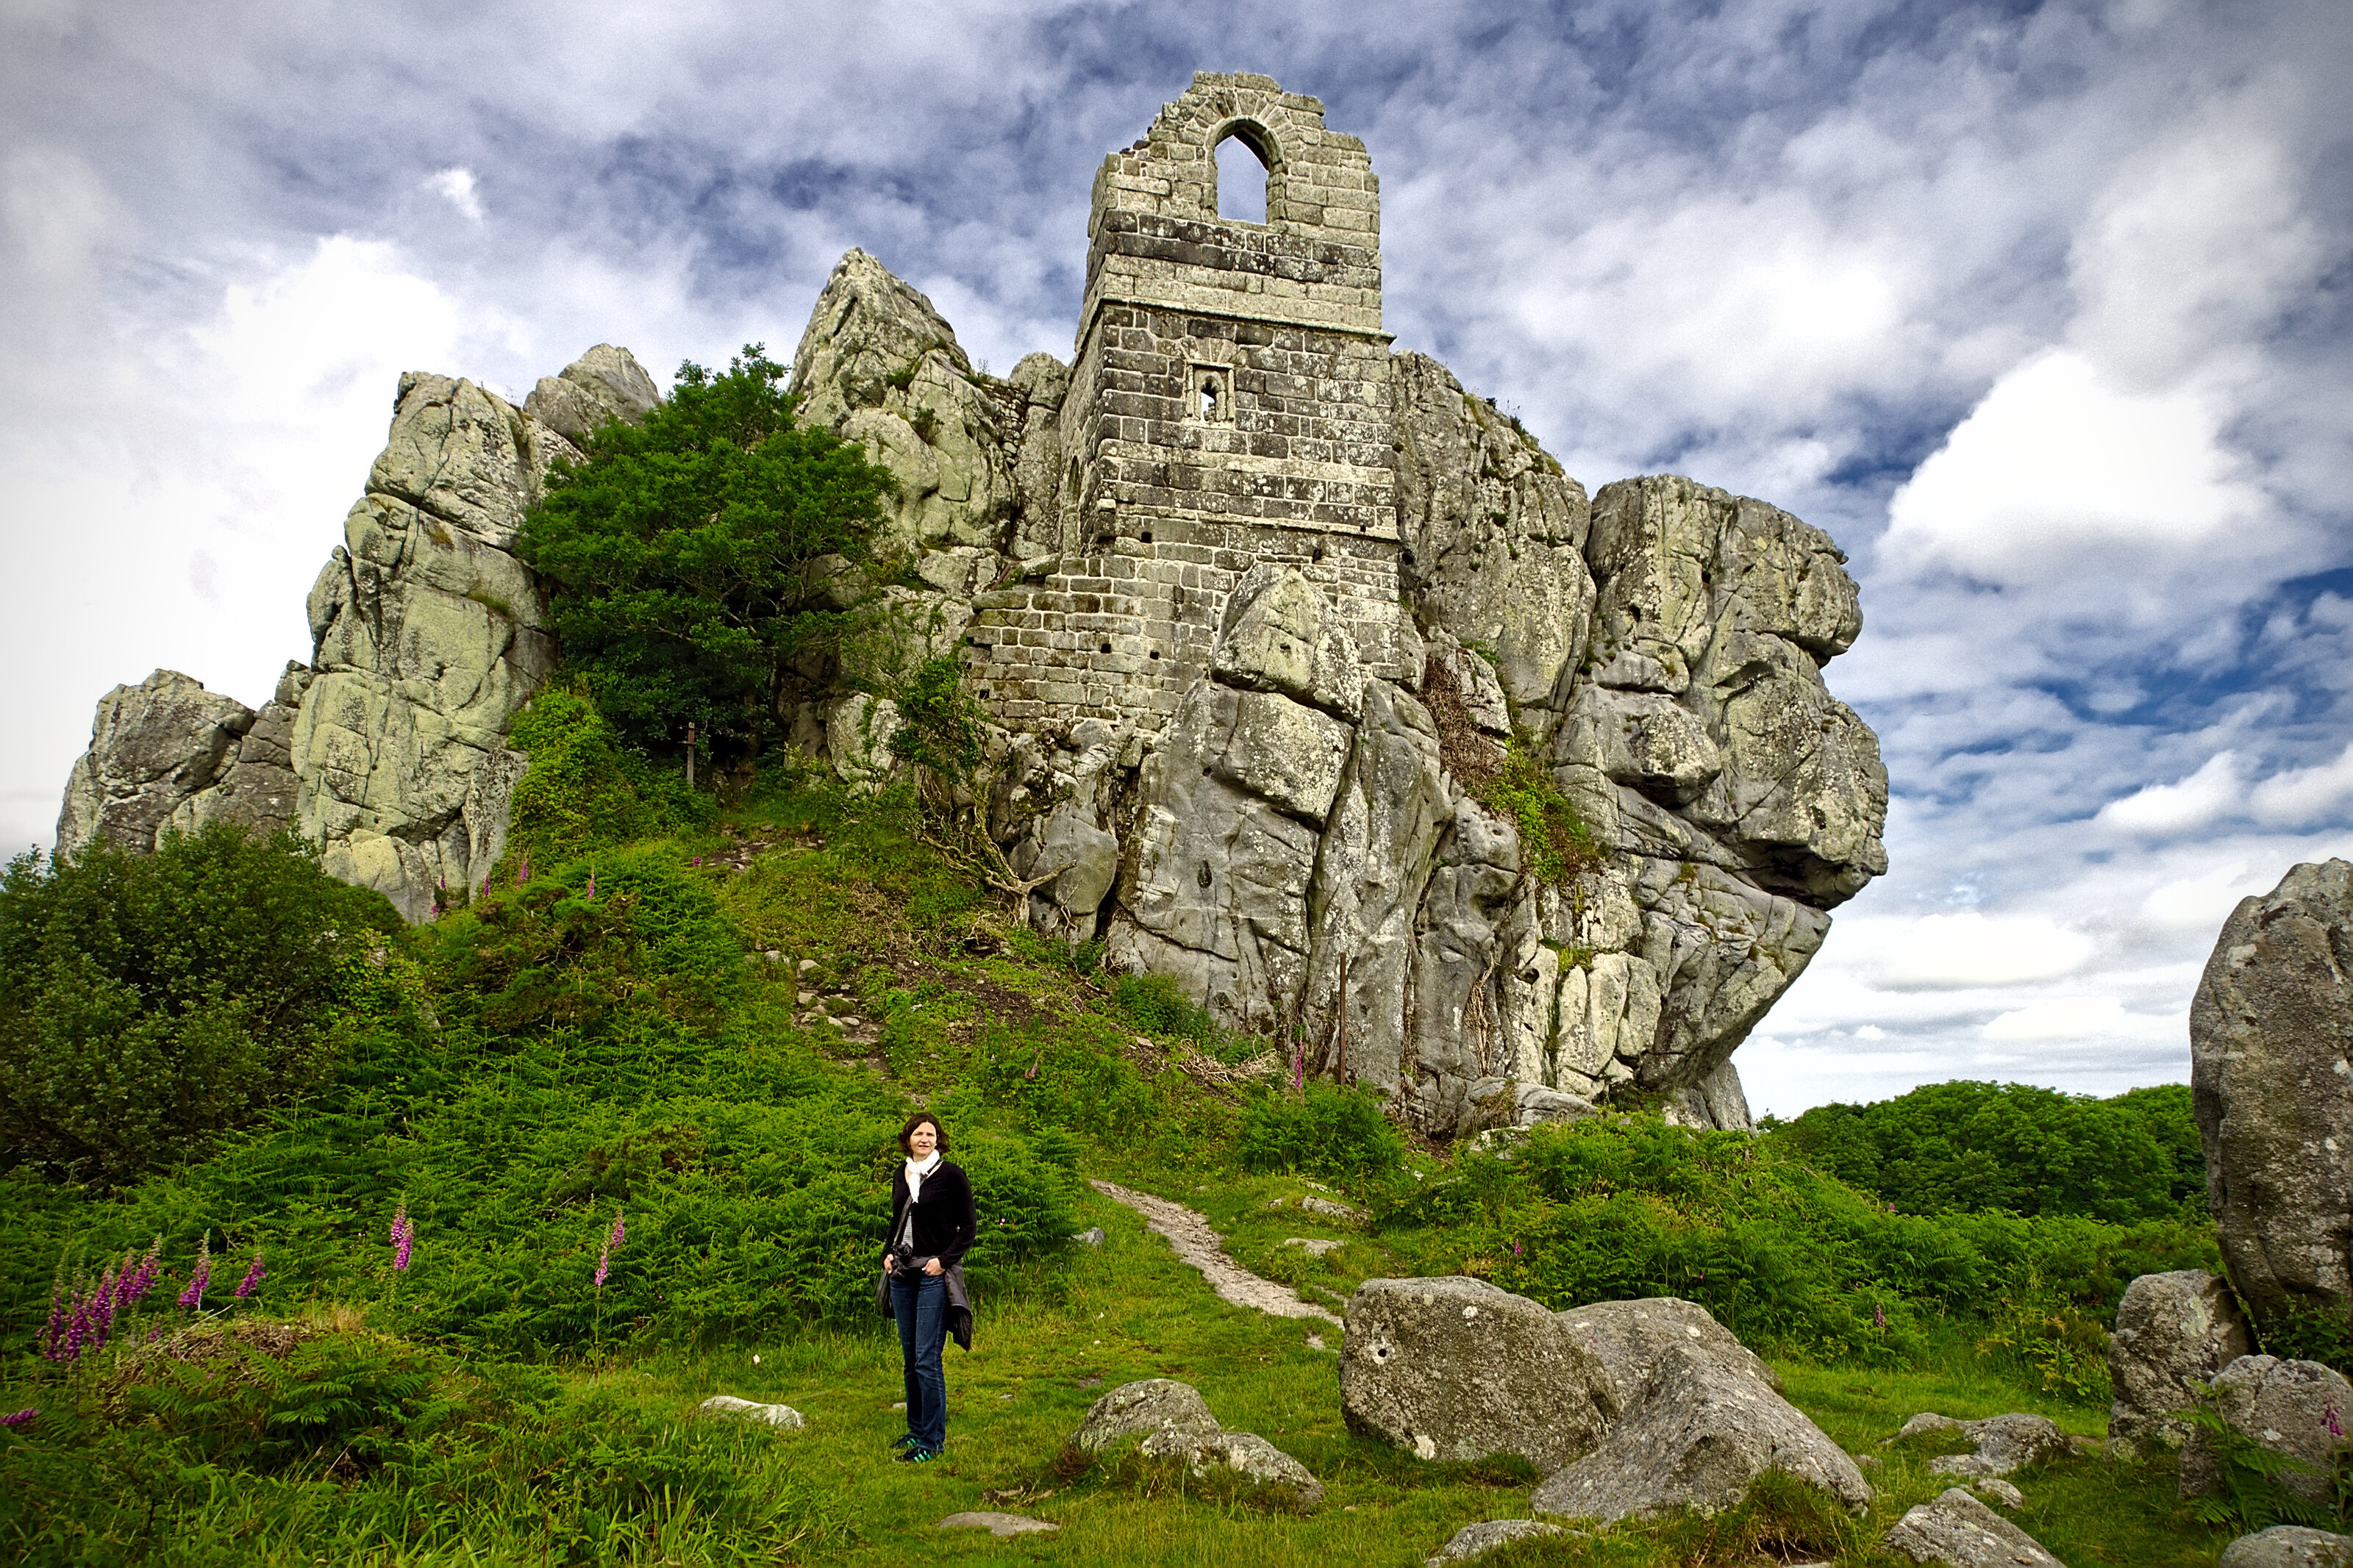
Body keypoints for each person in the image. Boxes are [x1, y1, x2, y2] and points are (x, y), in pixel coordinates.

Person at [875, 1111, 974, 1462]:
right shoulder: (901, 1174)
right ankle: (916, 1431)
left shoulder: (951, 1175)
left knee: (927, 1360)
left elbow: (969, 1228)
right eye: (919, 1133)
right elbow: (896, 1219)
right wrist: (887, 1254)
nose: (925, 1139)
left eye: (931, 1134)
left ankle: (932, 1442)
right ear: (909, 1139)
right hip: (902, 1274)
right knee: (909, 1359)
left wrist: (943, 1261)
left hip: (933, 1274)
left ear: (939, 1140)